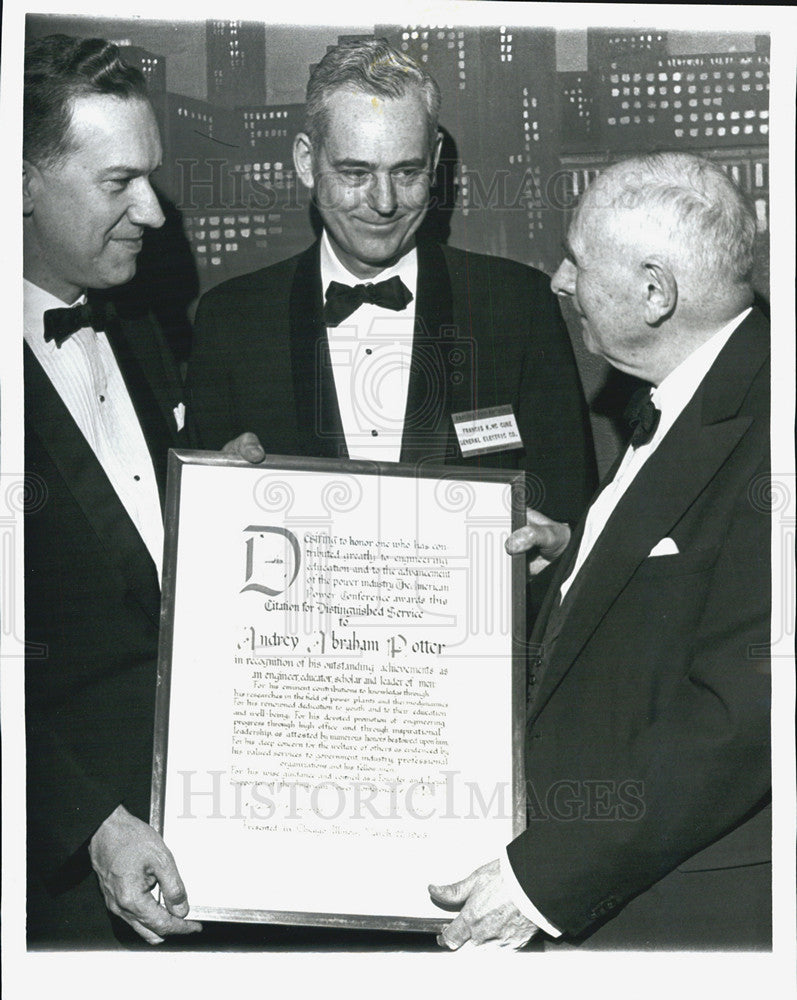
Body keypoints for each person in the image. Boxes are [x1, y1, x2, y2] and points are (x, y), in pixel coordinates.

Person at [429, 152, 771, 950]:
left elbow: (740, 718)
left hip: (678, 915)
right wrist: (581, 559)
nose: (557, 279)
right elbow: (707, 569)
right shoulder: (693, 390)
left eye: (577, 261)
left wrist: (539, 880)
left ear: (654, 292)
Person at [23, 35, 263, 948]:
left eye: (151, 178)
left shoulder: (135, 326)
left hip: (201, 840)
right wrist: (88, 821)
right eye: (118, 182)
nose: (154, 213)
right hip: (61, 878)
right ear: (20, 184)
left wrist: (209, 498)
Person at [188, 39, 596, 538]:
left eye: (407, 172)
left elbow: (571, 511)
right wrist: (211, 501)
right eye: (355, 173)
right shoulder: (231, 321)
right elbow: (201, 535)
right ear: (304, 161)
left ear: (436, 160)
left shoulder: (518, 305)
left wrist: (560, 541)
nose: (384, 203)